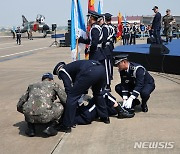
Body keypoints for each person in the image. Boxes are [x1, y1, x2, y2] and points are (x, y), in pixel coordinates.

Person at [17, 73, 66, 137]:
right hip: (45, 115)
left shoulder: (32, 85)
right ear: (51, 80)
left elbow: (20, 103)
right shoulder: (54, 85)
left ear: (42, 79)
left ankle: (31, 128)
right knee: (60, 106)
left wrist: (25, 112)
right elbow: (65, 100)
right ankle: (50, 127)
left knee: (30, 106)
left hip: (29, 115)